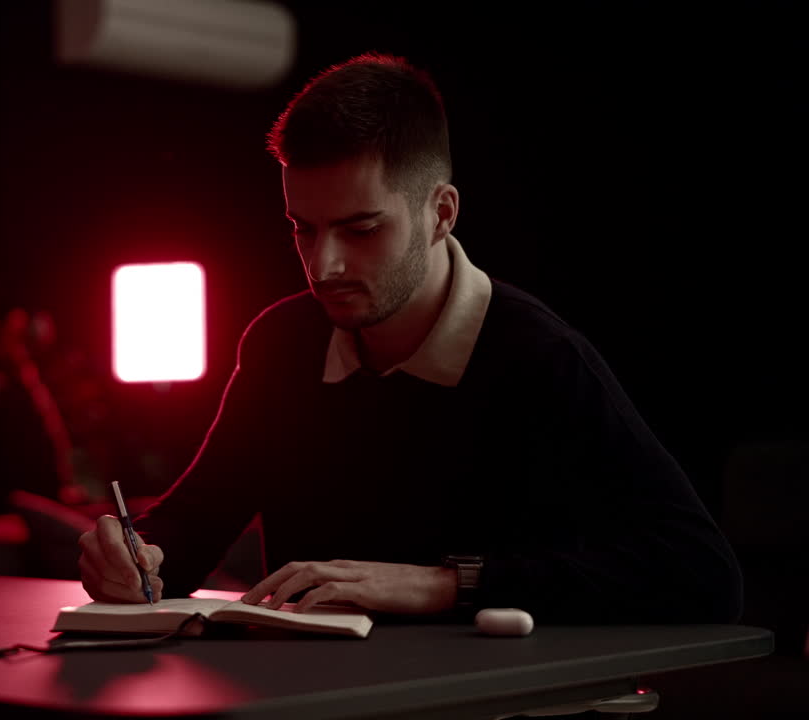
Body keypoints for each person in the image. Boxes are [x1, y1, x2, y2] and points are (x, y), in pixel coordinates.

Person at [77, 52, 742, 623]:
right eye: (303, 228)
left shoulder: (539, 358)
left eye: (361, 230)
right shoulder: (281, 343)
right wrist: (138, 557)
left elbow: (704, 574)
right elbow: (192, 528)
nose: (322, 265)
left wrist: (440, 583)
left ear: (441, 213)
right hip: (314, 705)